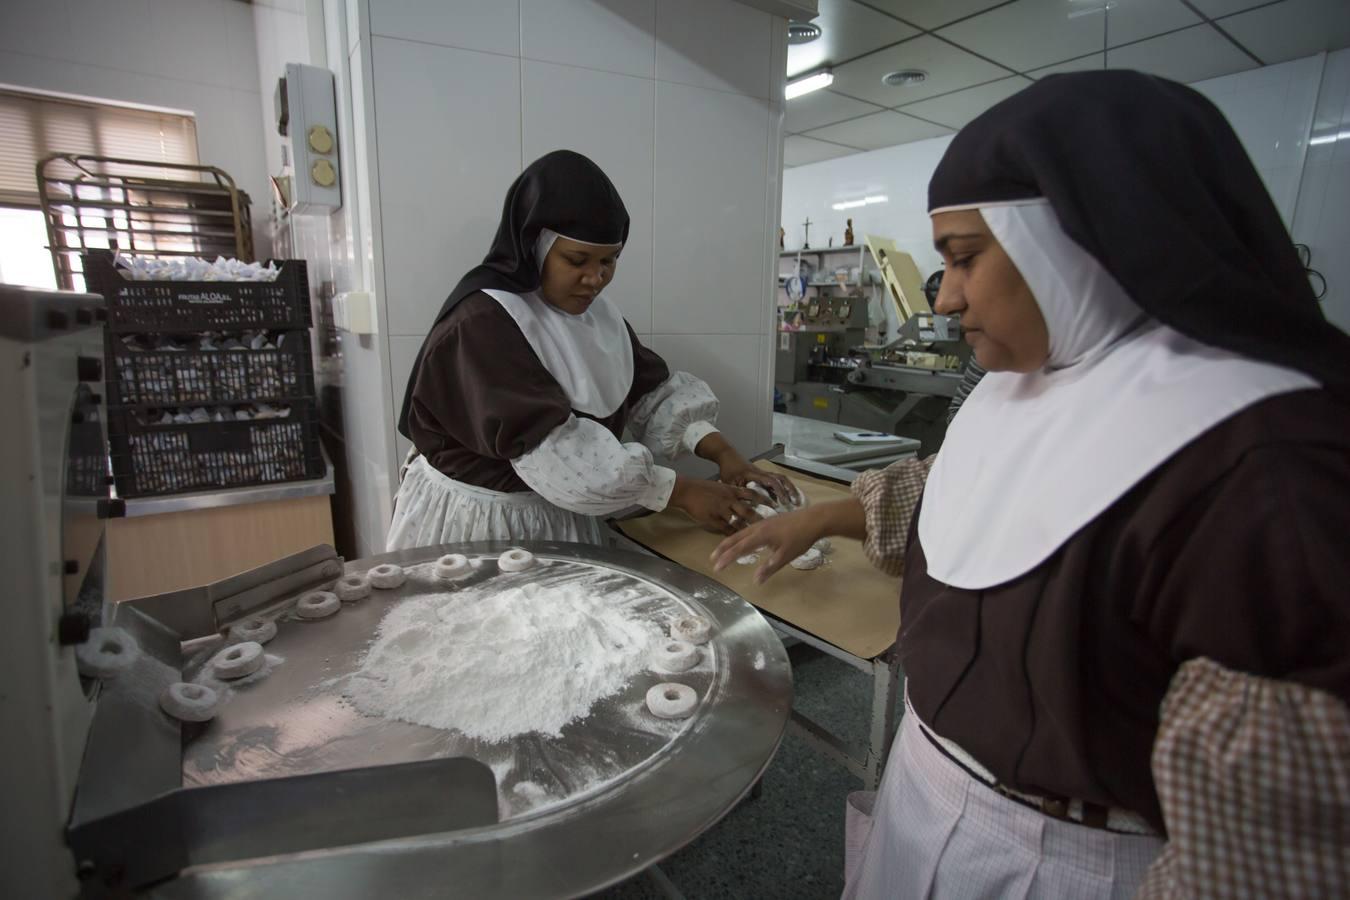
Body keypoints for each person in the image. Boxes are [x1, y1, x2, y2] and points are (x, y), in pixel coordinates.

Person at [713, 71, 1350, 898]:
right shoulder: (1024, 386)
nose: (944, 298)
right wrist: (824, 517)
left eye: (965, 259)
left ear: (1085, 243)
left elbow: (1271, 847)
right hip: (926, 796)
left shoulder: (1267, 467)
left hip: (1071, 865)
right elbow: (951, 486)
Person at [389, 150, 792, 550]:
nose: (595, 279)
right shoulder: (483, 324)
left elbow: (652, 395)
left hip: (561, 515)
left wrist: (725, 455)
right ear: (535, 246)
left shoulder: (597, 318)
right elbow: (557, 451)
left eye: (609, 261)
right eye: (577, 260)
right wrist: (681, 493)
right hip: (484, 524)